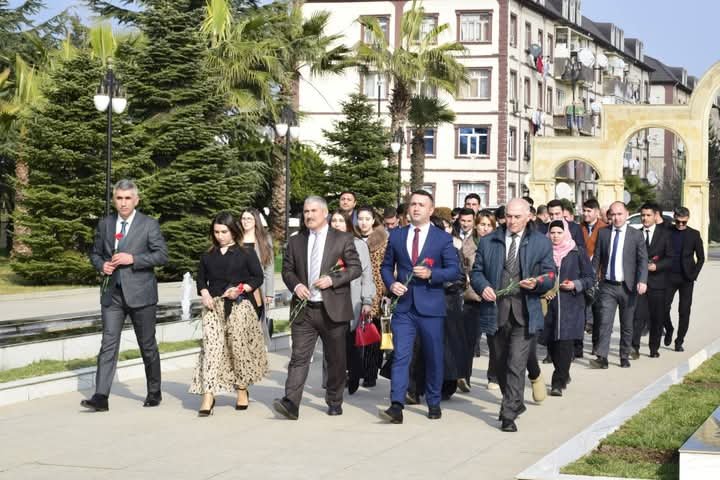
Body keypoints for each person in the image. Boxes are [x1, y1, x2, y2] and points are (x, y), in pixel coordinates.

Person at [83, 179, 168, 412]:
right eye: (119, 198)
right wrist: (101, 265)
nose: (123, 203)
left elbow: (161, 255)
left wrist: (135, 259)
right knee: (108, 343)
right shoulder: (105, 224)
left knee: (147, 345)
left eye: (127, 198)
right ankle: (101, 396)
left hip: (142, 294)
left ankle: (154, 391)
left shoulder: (149, 224)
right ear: (114, 199)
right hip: (112, 295)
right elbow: (95, 254)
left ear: (136, 200)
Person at [470, 198, 555, 432]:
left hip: (524, 312)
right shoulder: (489, 242)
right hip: (495, 311)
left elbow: (550, 275)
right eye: (508, 216)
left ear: (529, 217)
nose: (512, 221)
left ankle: (508, 414)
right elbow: (476, 272)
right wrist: (482, 286)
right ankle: (515, 401)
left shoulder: (540, 243)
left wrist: (537, 282)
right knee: (498, 363)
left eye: (517, 217)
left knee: (516, 363)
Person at [378, 190, 462, 424]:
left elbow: (454, 271)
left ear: (430, 210)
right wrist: (392, 283)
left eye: (421, 205)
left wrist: (431, 274)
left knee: (433, 356)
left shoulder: (442, 238)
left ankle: (433, 401)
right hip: (404, 307)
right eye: (413, 204)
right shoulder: (396, 235)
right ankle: (396, 405)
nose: (416, 208)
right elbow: (386, 267)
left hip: (431, 307)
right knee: (401, 355)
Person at [274, 196, 361, 420]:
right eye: (305, 212)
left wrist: (333, 280)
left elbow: (355, 268)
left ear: (324, 213)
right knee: (299, 357)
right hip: (304, 309)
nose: (309, 215)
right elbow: (287, 270)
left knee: (336, 358)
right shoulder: (296, 240)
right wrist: (296, 285)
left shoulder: (342, 239)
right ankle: (291, 402)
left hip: (333, 309)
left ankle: (334, 399)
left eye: (313, 211)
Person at [190, 212, 268, 416]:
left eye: (224, 231)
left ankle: (242, 389)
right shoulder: (208, 254)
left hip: (239, 306)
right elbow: (200, 279)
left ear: (233, 231)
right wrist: (204, 292)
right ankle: (208, 395)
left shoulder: (246, 252)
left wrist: (241, 289)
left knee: (238, 349)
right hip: (213, 308)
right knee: (211, 349)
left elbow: (257, 277)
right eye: (216, 232)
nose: (219, 236)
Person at [590, 201, 648, 369]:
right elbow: (597, 259)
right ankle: (602, 358)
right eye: (613, 215)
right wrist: (592, 278)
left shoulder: (635, 235)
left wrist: (642, 280)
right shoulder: (603, 233)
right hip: (607, 286)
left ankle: (624, 356)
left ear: (627, 214)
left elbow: (643, 260)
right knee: (604, 322)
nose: (616, 218)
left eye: (619, 214)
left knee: (627, 324)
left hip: (628, 287)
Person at [544, 220, 594, 396]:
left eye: (559, 232)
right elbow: (537, 274)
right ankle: (564, 373)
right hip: (549, 306)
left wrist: (575, 284)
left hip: (571, 305)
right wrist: (543, 289)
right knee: (551, 345)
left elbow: (590, 277)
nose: (555, 236)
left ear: (565, 233)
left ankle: (558, 382)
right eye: (552, 233)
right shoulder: (544, 251)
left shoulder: (577, 251)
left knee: (565, 344)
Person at [328, 211, 376, 394]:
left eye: (341, 220)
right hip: (332, 297)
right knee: (334, 341)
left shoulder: (358, 244)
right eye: (334, 220)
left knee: (351, 340)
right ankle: (336, 379)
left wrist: (367, 300)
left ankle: (354, 373)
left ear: (348, 224)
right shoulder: (325, 244)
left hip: (353, 298)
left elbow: (366, 275)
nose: (337, 224)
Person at [461, 211, 498, 390]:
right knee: (469, 339)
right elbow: (461, 267)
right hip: (471, 296)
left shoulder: (498, 245)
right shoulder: (467, 245)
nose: (485, 228)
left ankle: (493, 377)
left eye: (488, 225)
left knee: (494, 340)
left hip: (493, 297)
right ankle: (464, 376)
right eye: (482, 224)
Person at [631, 203, 672, 359]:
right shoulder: (636, 234)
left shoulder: (665, 235)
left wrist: (657, 266)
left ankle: (653, 348)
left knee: (657, 317)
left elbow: (671, 259)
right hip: (640, 283)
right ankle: (633, 348)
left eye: (648, 215)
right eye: (642, 215)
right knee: (638, 317)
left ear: (655, 216)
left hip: (658, 283)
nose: (645, 218)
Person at [356, 206, 389, 386]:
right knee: (355, 332)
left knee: (373, 332)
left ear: (373, 220)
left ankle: (370, 373)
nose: (363, 222)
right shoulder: (351, 239)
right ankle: (355, 370)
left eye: (367, 219)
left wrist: (386, 290)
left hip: (377, 291)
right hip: (355, 289)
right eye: (360, 218)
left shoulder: (382, 240)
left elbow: (387, 267)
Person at [664, 207, 705, 352]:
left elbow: (701, 258)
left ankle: (679, 341)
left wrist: (694, 275)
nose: (681, 224)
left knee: (684, 310)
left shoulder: (694, 234)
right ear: (674, 217)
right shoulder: (667, 232)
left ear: (688, 219)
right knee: (663, 308)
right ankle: (668, 329)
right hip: (669, 277)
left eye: (684, 222)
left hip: (686, 279)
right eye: (678, 221)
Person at [239, 208, 275, 313]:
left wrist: (269, 293)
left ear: (256, 221)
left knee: (258, 319)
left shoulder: (264, 239)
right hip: (239, 285)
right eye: (243, 218)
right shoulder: (237, 238)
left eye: (249, 219)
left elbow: (269, 266)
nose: (246, 221)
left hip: (258, 286)